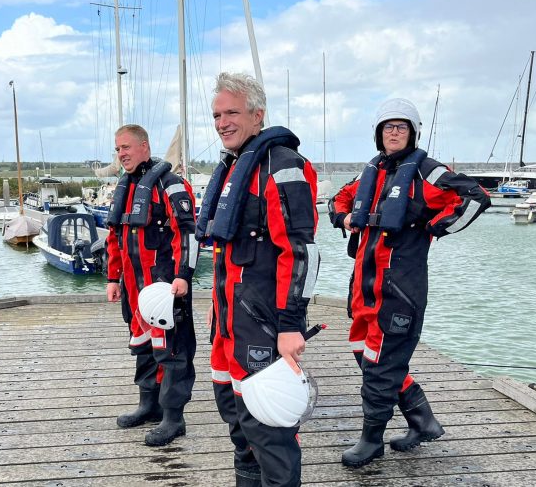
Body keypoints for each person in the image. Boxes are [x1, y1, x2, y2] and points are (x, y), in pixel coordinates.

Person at [338, 98, 490, 468]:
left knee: (381, 362)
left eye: (401, 127)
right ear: (379, 133)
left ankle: (371, 441)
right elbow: (340, 198)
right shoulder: (371, 171)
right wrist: (344, 217)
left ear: (413, 132)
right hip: (364, 284)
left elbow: (475, 197)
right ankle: (423, 421)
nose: (394, 132)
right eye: (388, 127)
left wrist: (435, 227)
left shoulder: (427, 171)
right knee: (365, 351)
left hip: (400, 287)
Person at [197, 72, 319, 487]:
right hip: (227, 329)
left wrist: (290, 326)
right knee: (241, 431)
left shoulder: (282, 166)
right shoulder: (234, 167)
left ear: (257, 114)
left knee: (271, 435)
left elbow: (301, 252)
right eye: (216, 114)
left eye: (232, 112)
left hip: (263, 328)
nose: (222, 122)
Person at [105, 124, 199, 447]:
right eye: (118, 149)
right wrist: (112, 278)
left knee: (172, 351)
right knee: (143, 346)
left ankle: (174, 417)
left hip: (164, 288)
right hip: (133, 289)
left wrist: (183, 275)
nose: (122, 154)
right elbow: (114, 238)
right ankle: (149, 405)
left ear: (144, 146)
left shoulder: (170, 185)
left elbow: (187, 232)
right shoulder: (125, 188)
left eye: (126, 147)